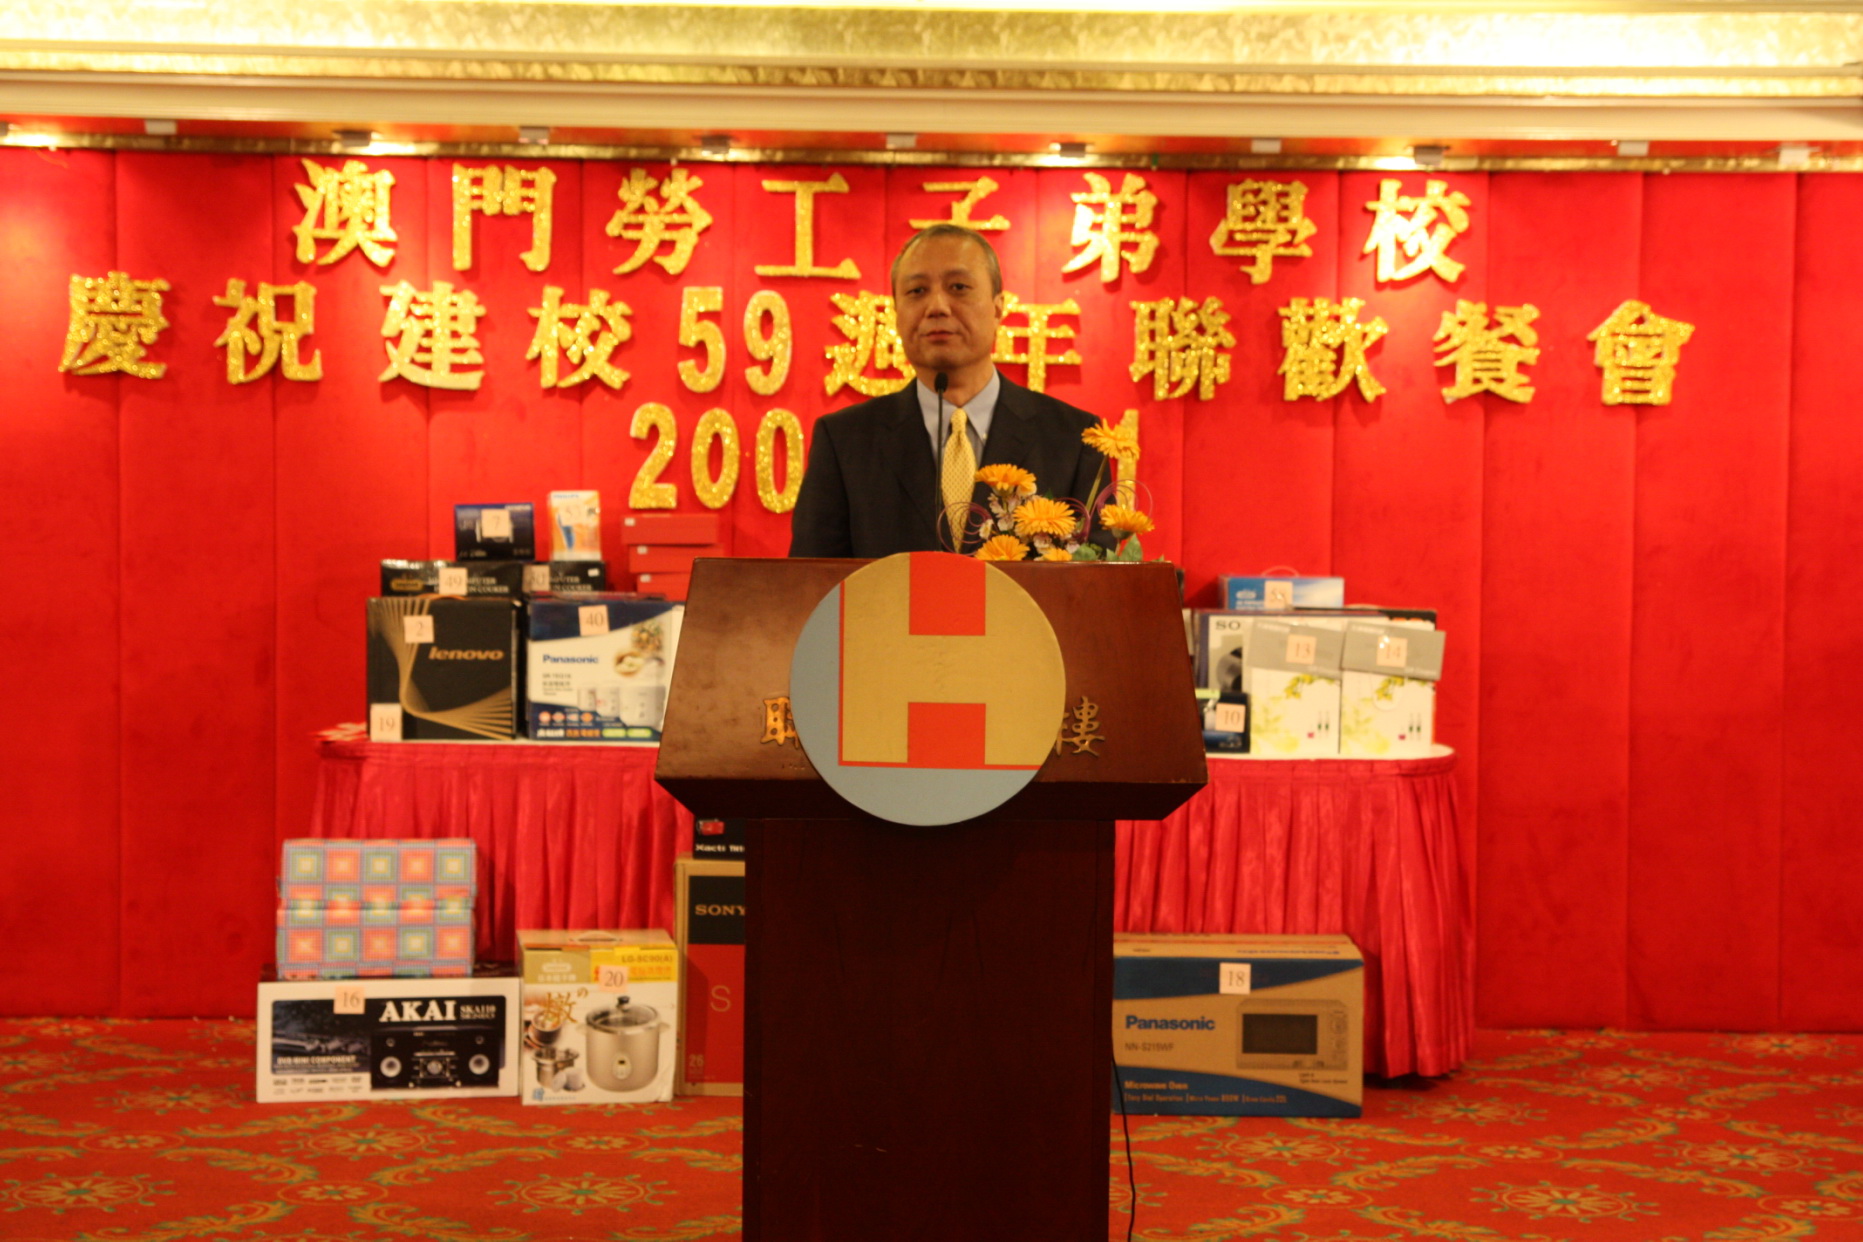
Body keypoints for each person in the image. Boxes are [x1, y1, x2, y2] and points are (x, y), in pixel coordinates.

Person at [787, 223, 1109, 558]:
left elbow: (1093, 580)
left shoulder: (1073, 440)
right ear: (896, 314)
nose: (937, 306)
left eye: (958, 287)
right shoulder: (845, 441)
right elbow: (813, 580)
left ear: (998, 307)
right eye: (916, 291)